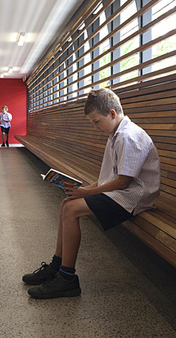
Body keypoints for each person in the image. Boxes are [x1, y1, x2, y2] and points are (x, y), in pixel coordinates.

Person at [22, 88, 160, 299]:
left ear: (112, 113)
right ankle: (56, 266)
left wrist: (85, 192)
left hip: (134, 197)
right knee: (67, 204)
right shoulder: (115, 134)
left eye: (96, 122)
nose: (96, 127)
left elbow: (123, 182)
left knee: (71, 209)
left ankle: (67, 279)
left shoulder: (128, 136)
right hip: (123, 191)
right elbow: (108, 177)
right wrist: (81, 190)